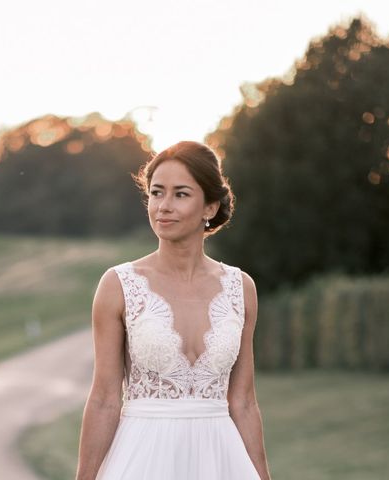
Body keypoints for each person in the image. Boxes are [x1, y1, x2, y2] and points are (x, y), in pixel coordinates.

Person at [75, 140, 271, 480]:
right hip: (142, 458)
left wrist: (262, 476)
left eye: (180, 194)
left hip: (221, 460)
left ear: (210, 207)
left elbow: (243, 402)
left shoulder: (242, 289)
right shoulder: (118, 285)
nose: (163, 206)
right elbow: (105, 399)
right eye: (156, 193)